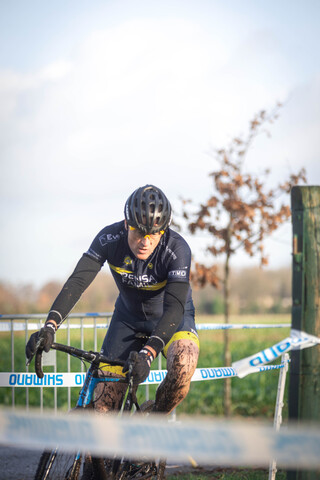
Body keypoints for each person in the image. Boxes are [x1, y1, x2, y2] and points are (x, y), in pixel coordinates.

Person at [26, 184, 199, 414]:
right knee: (103, 409)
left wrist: (148, 353)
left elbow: (175, 307)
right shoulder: (109, 238)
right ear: (127, 223)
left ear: (163, 230)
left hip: (172, 318)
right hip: (127, 319)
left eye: (153, 234)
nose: (145, 241)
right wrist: (49, 326)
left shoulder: (177, 248)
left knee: (184, 365)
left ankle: (154, 422)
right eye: (139, 232)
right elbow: (77, 282)